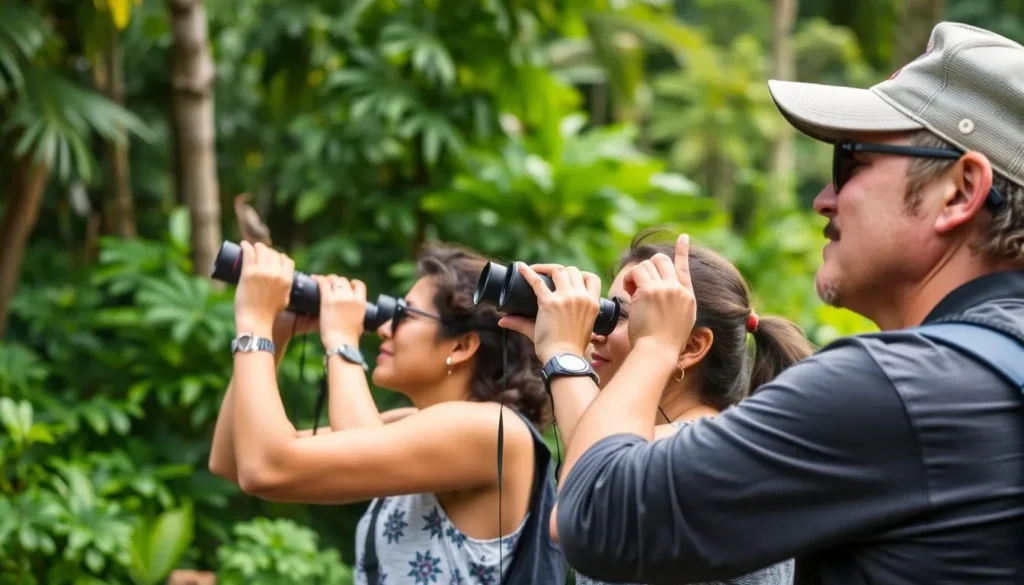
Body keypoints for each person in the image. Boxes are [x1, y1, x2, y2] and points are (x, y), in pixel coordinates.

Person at [531, 21, 1024, 585]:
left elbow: (595, 516)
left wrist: (649, 345)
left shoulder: (894, 388)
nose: (824, 200)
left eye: (851, 164)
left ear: (960, 191)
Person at [208, 240, 567, 584]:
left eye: (402, 316)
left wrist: (267, 324)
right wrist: (276, 330)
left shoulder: (494, 431)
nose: (382, 329)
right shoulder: (409, 425)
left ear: (461, 345)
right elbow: (237, 460)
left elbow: (267, 468)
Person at [499, 229, 812, 585]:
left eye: (620, 315)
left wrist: (563, 353)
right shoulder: (733, 444)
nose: (595, 331)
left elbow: (594, 486)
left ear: (690, 346)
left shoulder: (700, 452)